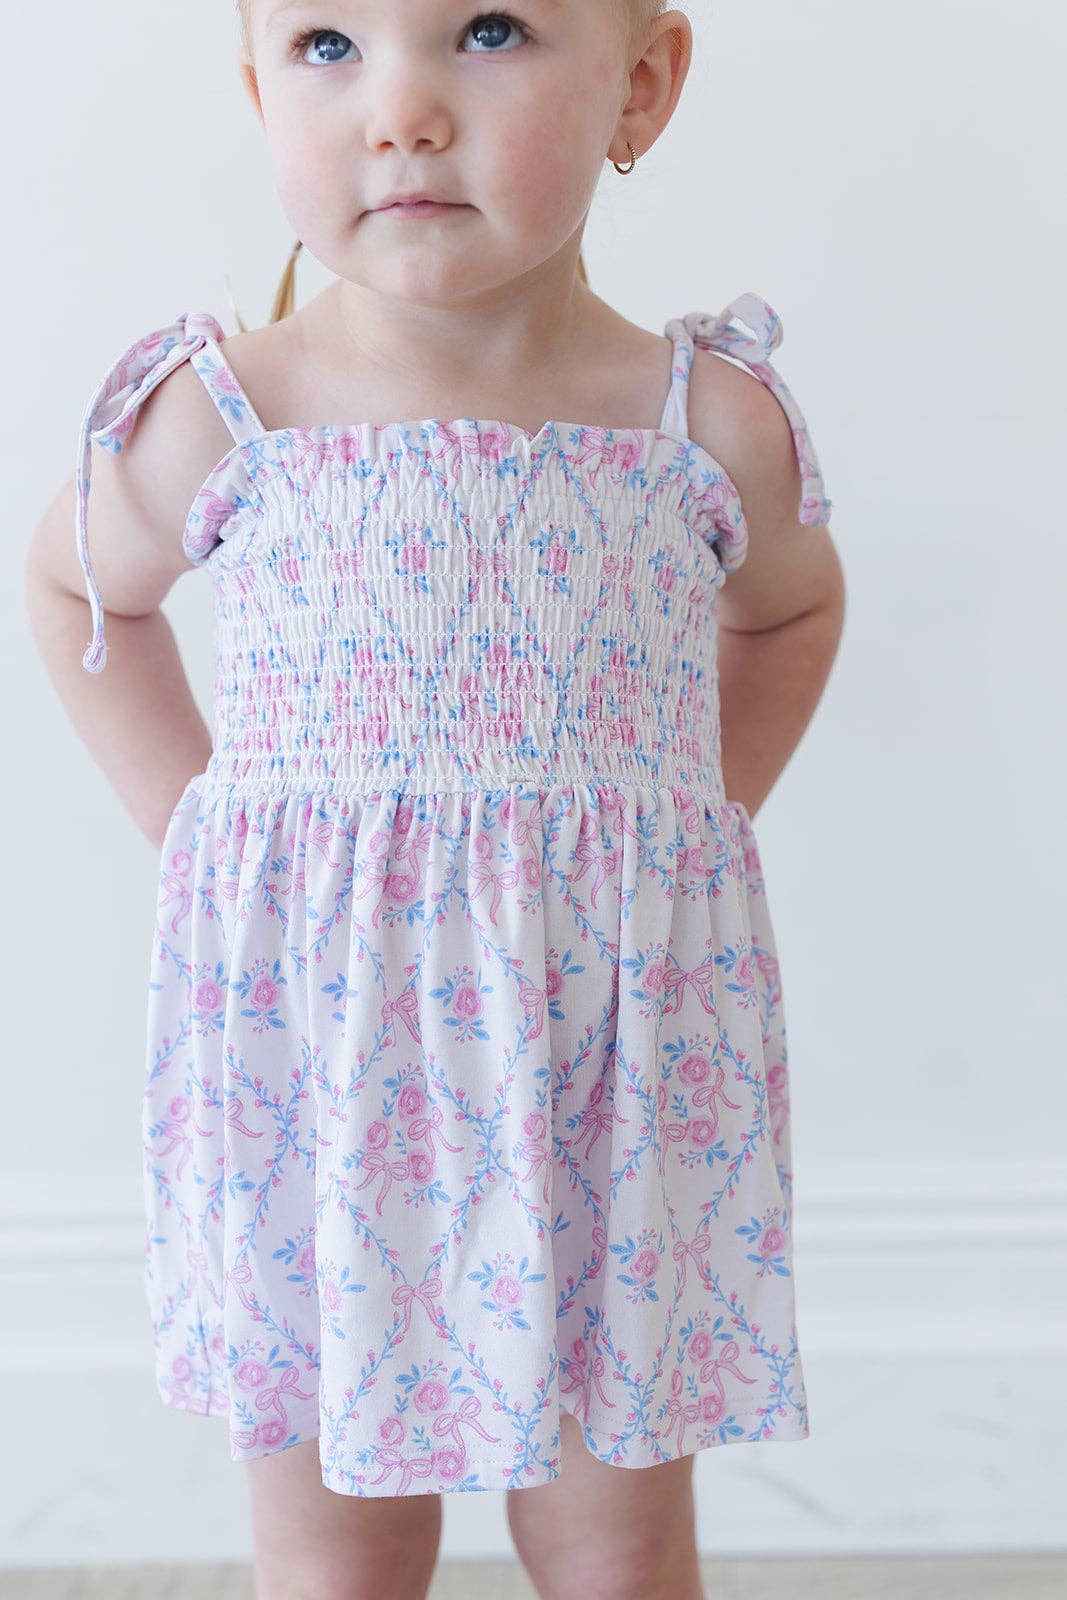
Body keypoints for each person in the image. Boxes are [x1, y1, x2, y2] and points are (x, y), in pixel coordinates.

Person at [25, 2, 844, 1596]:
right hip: (320, 1078)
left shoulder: (700, 422)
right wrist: (201, 831)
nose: (399, 107)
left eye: (487, 28)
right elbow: (77, 592)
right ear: (258, 94)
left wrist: (683, 833)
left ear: (641, 85)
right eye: (329, 44)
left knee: (617, 1545)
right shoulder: (224, 411)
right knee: (340, 1550)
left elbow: (793, 610)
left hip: (606, 1065)